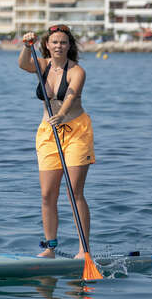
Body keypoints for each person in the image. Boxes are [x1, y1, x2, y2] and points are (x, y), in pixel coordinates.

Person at [18, 25, 96, 258]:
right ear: (47, 45)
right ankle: (50, 248)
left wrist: (61, 114)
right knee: (47, 194)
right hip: (47, 133)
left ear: (69, 46)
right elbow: (23, 64)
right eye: (55, 42)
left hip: (75, 131)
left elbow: (71, 94)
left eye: (63, 42)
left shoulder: (77, 71)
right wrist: (25, 46)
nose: (59, 46)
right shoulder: (42, 65)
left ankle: (84, 250)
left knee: (74, 192)